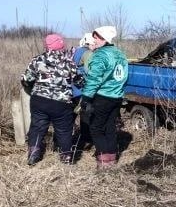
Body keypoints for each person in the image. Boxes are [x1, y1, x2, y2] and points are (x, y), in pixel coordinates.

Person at [21, 33, 82, 165]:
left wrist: (31, 88)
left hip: (39, 100)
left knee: (37, 127)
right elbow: (80, 82)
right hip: (62, 103)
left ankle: (34, 153)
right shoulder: (69, 62)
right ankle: (66, 157)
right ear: (61, 46)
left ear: (47, 46)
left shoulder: (38, 60)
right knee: (64, 130)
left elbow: (26, 79)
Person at [80, 25, 129, 169]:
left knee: (96, 127)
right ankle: (112, 157)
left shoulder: (101, 55)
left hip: (102, 96)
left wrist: (86, 98)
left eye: (97, 37)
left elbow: (94, 78)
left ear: (104, 39)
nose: (94, 39)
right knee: (110, 127)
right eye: (94, 37)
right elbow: (124, 77)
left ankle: (103, 159)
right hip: (117, 96)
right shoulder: (120, 53)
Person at [71, 33, 96, 149]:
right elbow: (89, 71)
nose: (96, 47)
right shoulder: (88, 53)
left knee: (72, 115)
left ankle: (68, 139)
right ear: (90, 43)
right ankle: (86, 141)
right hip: (83, 90)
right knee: (86, 116)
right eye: (95, 44)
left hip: (73, 89)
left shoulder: (77, 50)